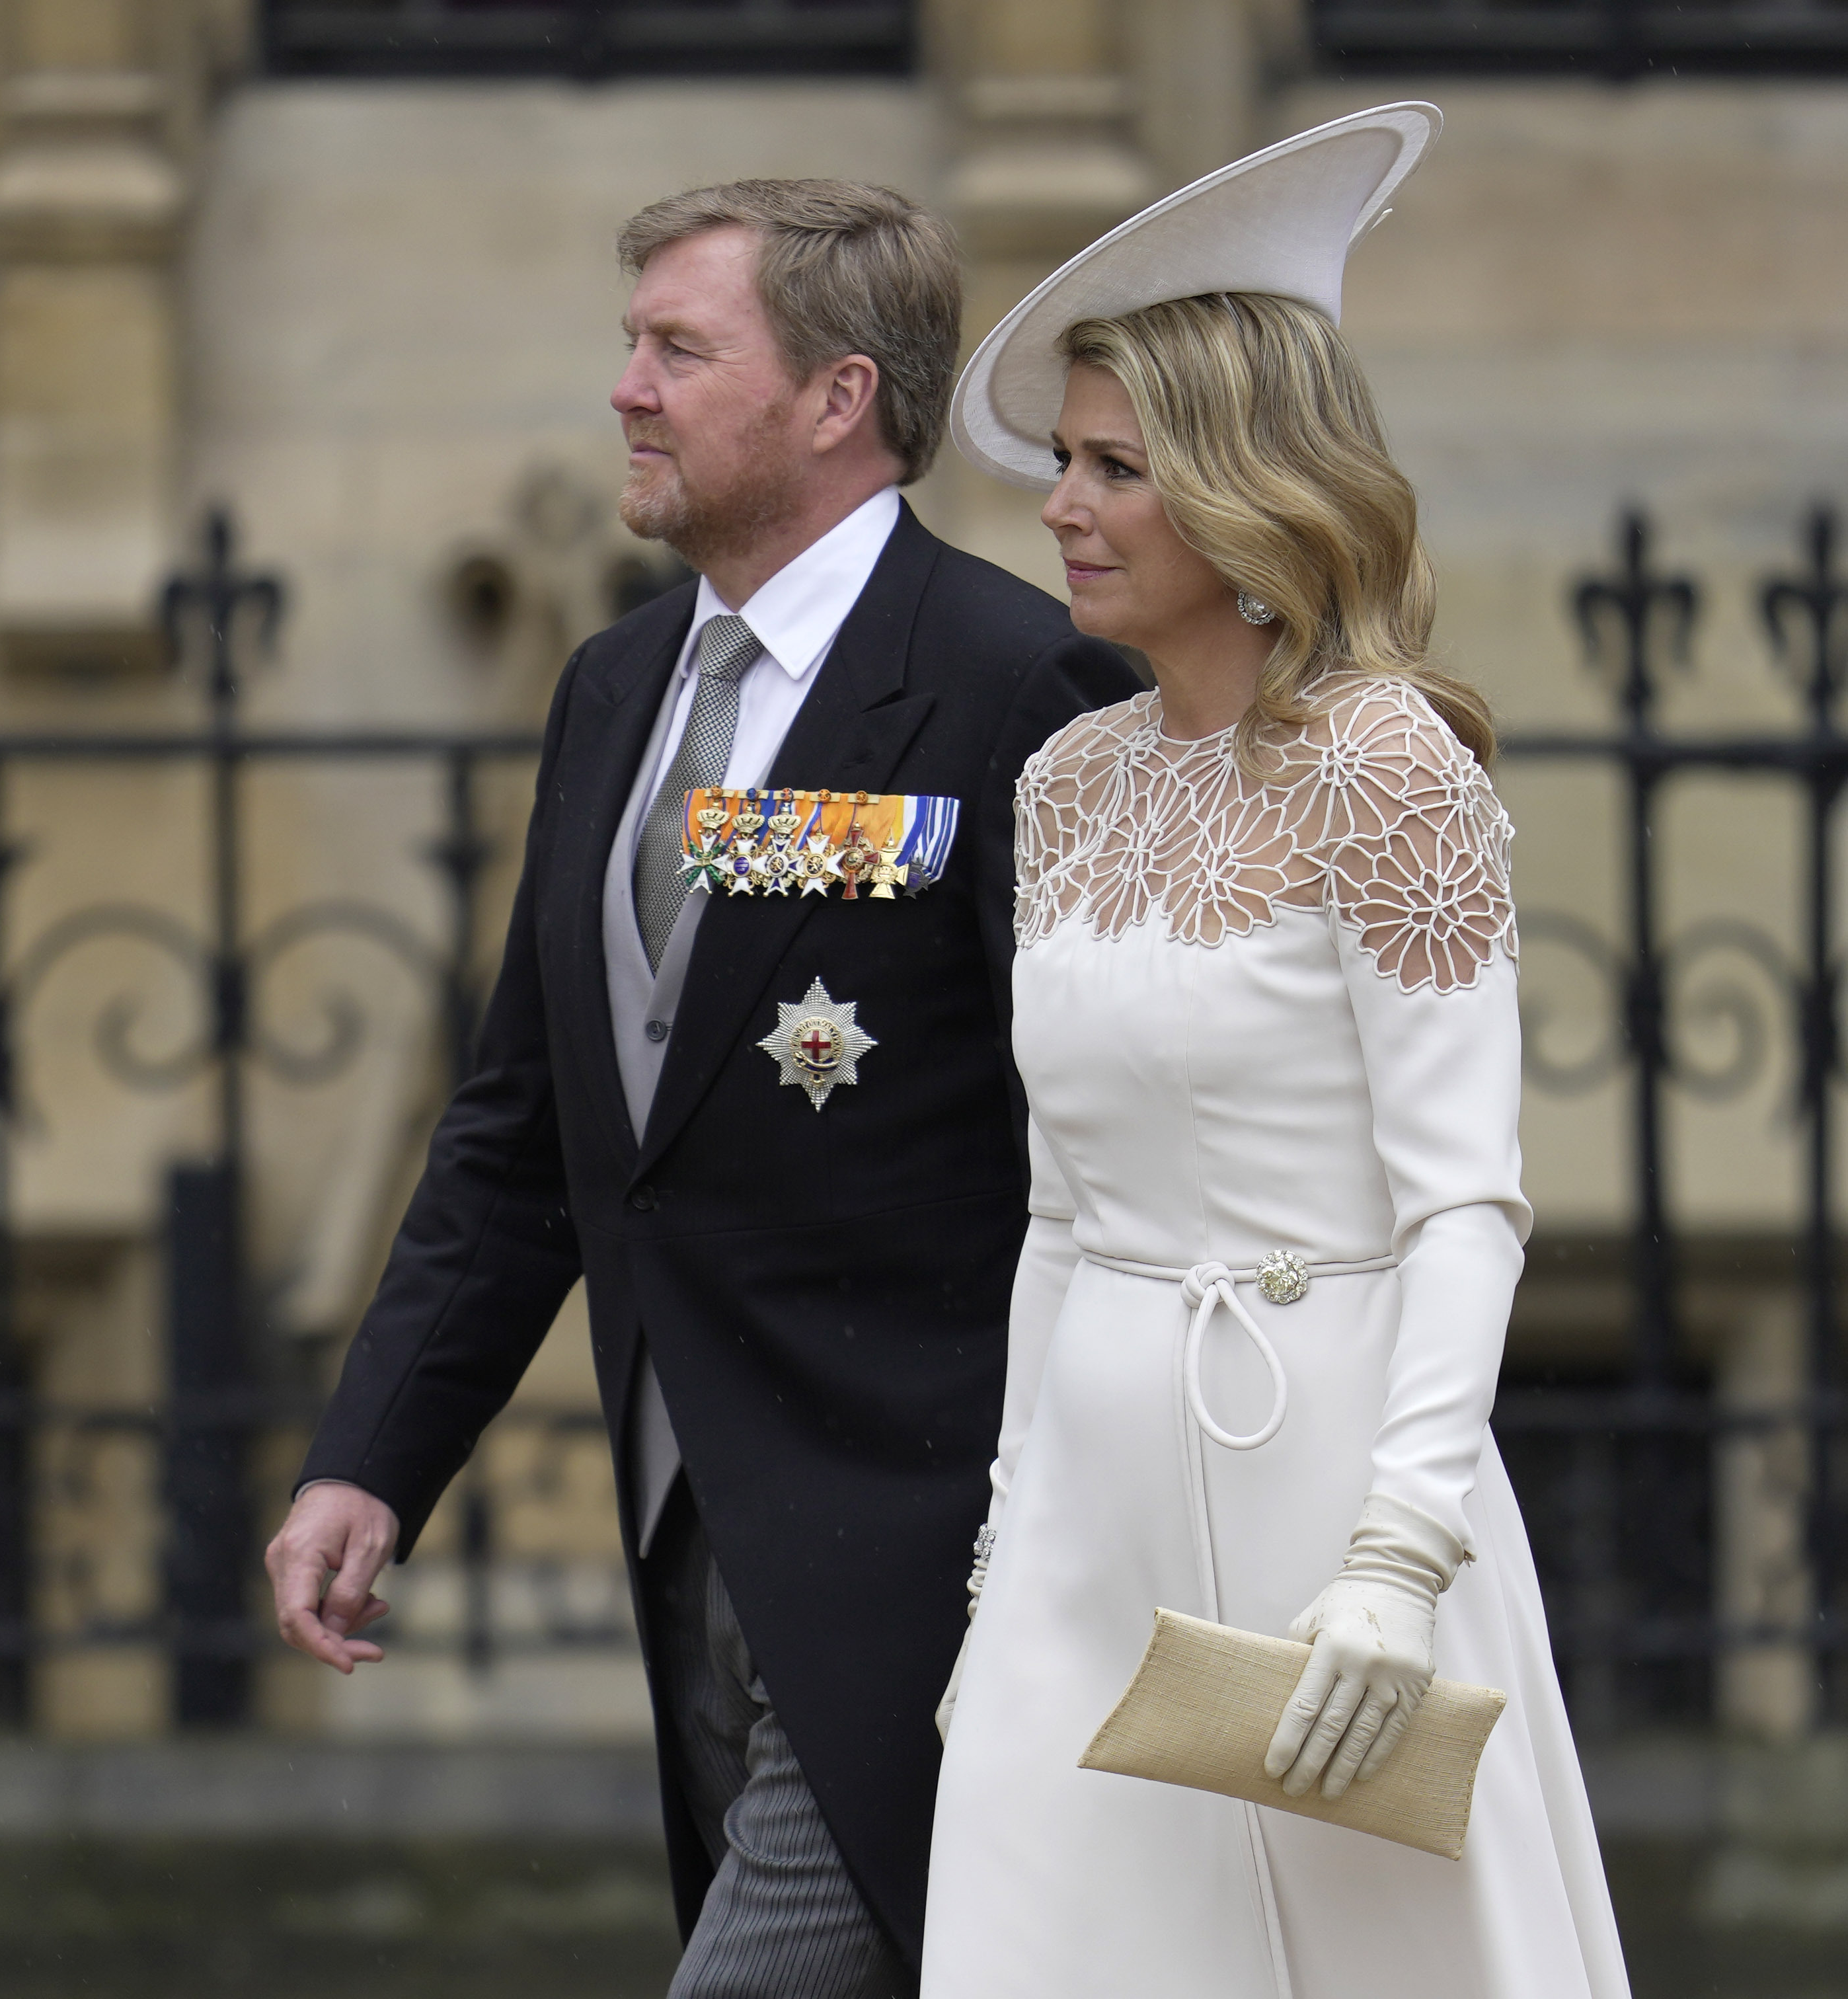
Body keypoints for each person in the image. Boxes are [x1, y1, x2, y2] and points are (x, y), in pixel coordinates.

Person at [263, 179, 1135, 1996]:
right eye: (630, 346)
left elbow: (1105, 1140)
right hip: (691, 1525)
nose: (627, 393)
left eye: (678, 348)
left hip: (928, 1551)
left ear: (834, 399)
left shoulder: (1011, 678)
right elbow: (530, 1135)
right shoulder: (615, 685)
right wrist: (373, 1461)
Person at [922, 106, 1631, 1998]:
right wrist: (1005, 1568)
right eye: (1064, 462)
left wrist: (1401, 1558)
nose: (1060, 506)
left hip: (1339, 1474)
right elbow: (1058, 1218)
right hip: (1089, 1503)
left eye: (1114, 469)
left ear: (1244, 493)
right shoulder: (1070, 779)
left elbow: (1466, 1201)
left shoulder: (1391, 768)